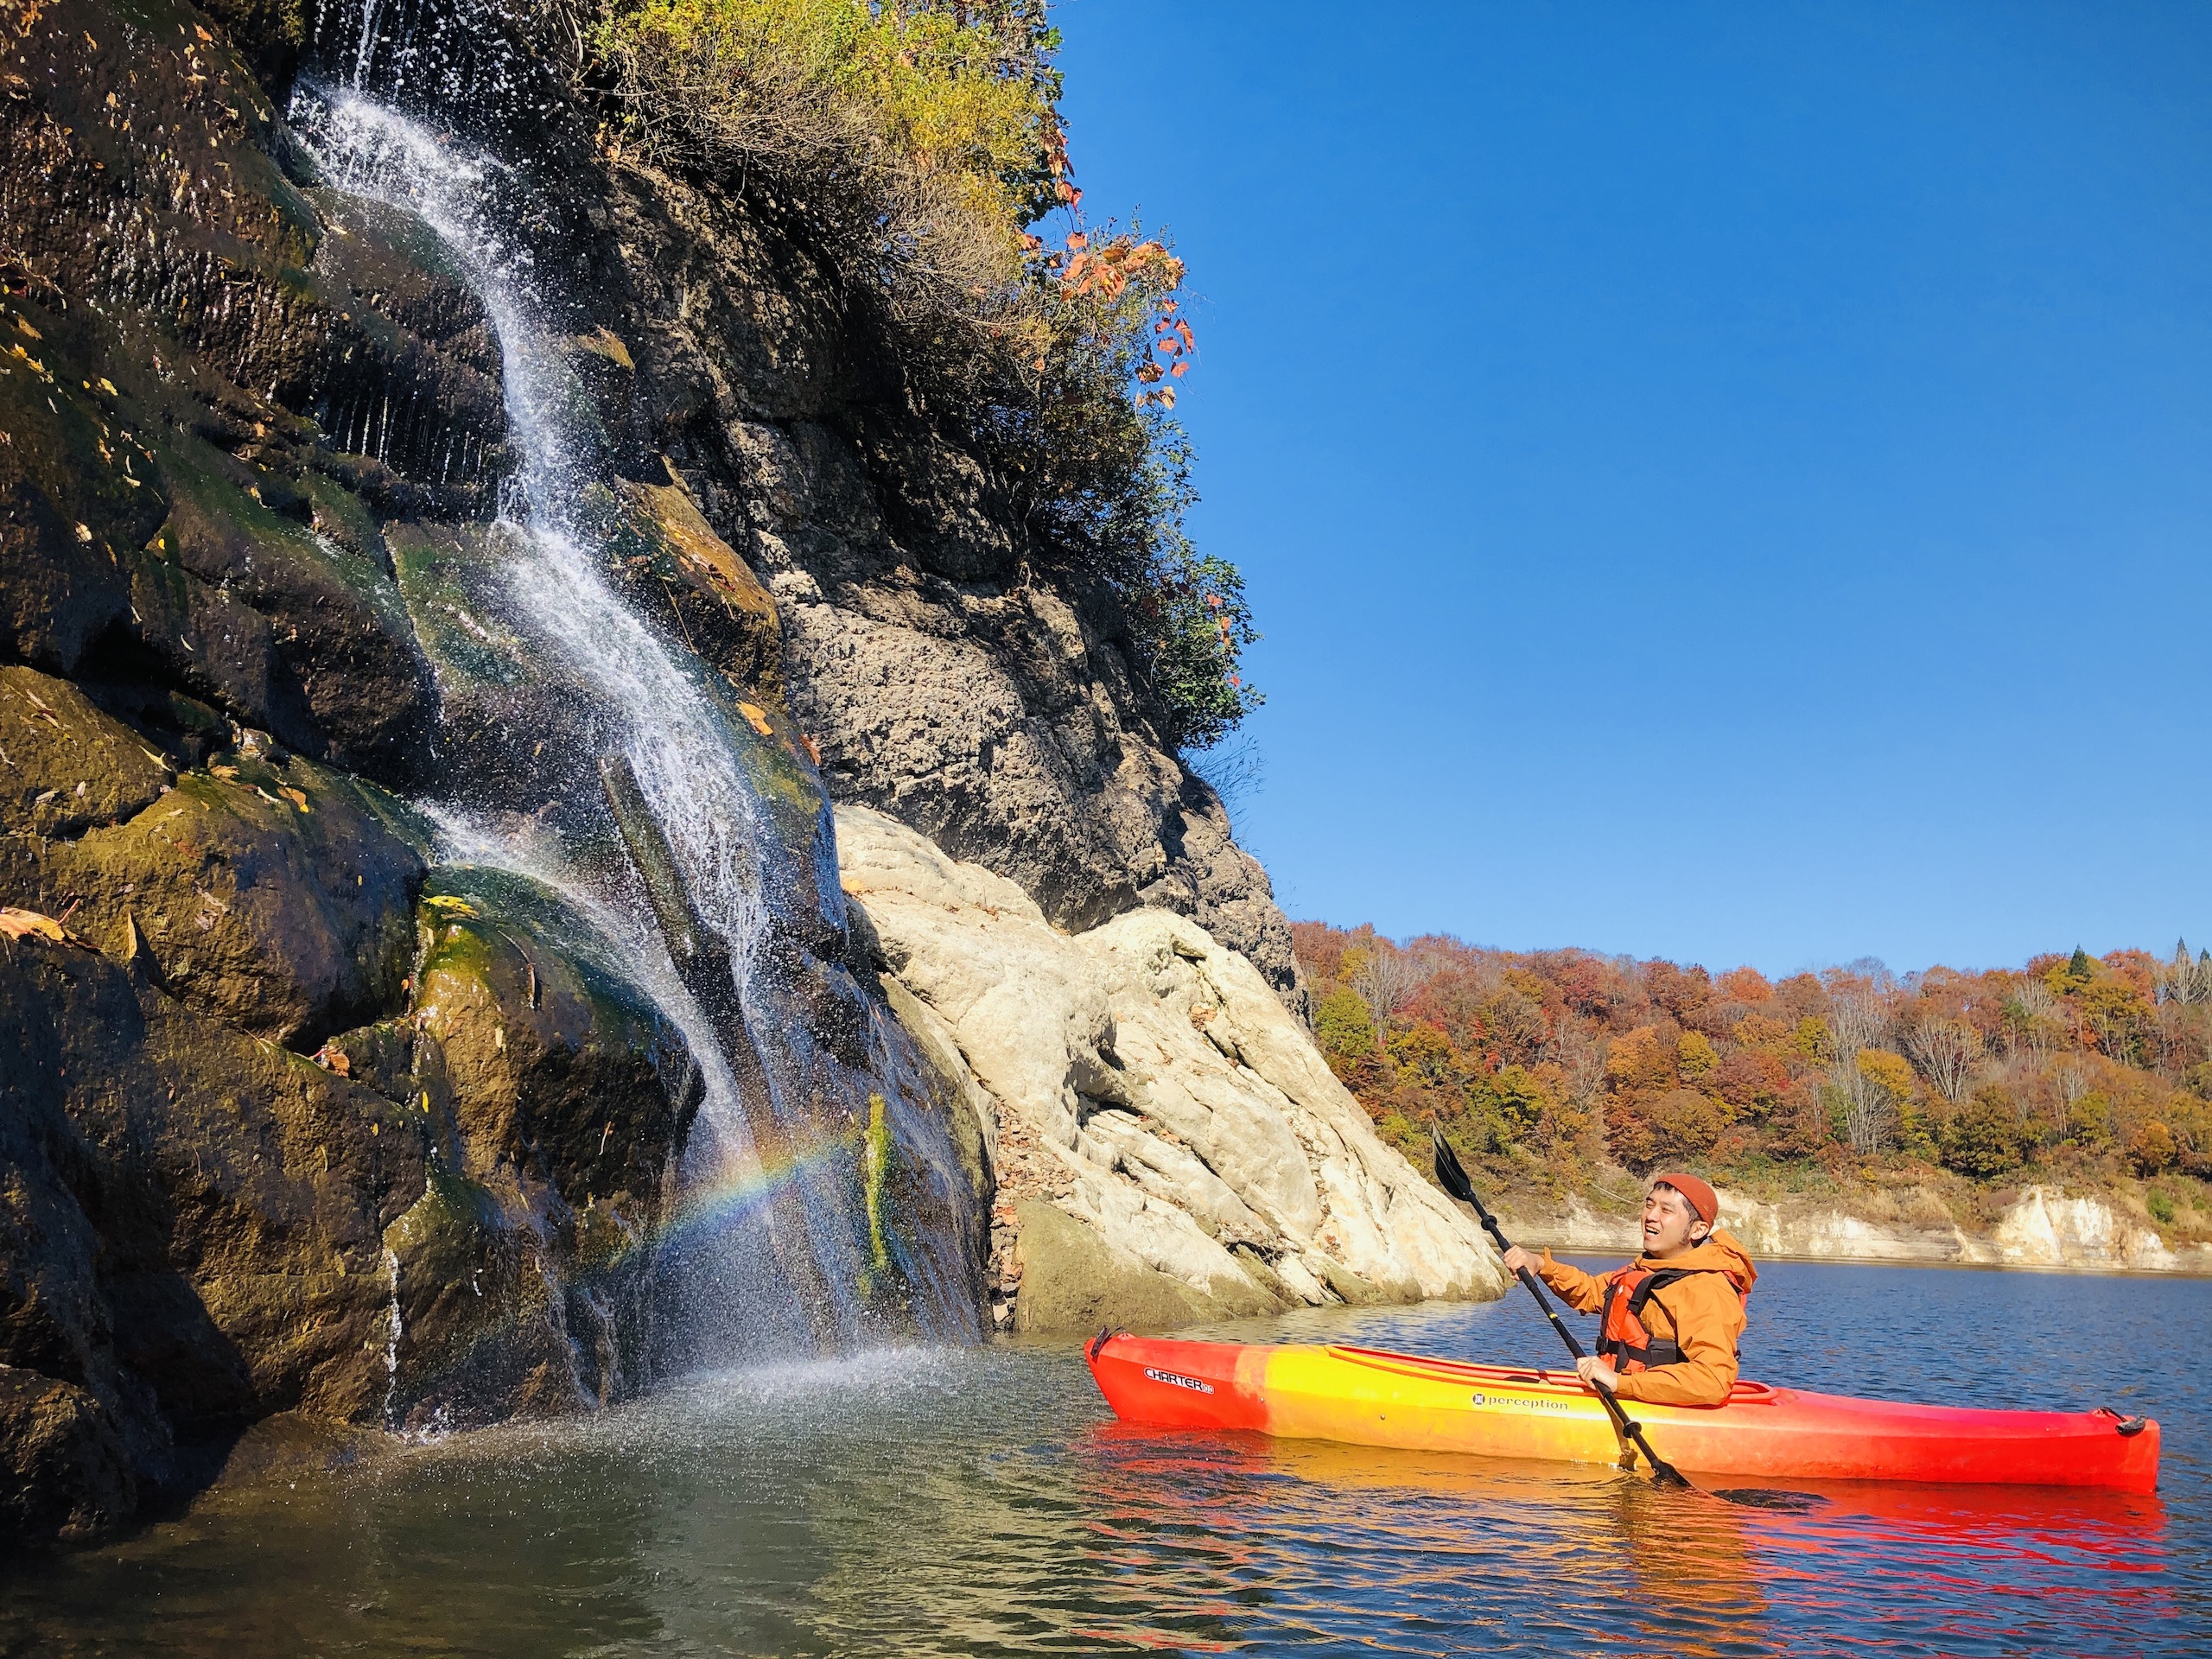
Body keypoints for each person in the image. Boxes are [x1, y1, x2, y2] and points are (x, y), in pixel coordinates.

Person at [1500, 1173, 1757, 1408]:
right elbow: (1591, 1291)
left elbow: (1712, 1380)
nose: (1651, 1216)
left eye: (1666, 1210)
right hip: (1621, 1392)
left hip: (1656, 1407)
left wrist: (1619, 1383)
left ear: (1698, 1229)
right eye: (1649, 1205)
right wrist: (1542, 1265)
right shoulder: (1648, 1269)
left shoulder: (1706, 1287)